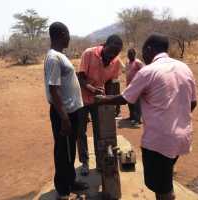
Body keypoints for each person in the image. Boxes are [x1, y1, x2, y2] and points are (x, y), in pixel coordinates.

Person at [95, 33, 197, 200]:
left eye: (143, 51)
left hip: (158, 143)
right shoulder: (184, 68)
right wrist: (175, 115)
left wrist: (102, 100)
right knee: (165, 178)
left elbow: (125, 98)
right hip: (181, 138)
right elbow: (192, 103)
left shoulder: (148, 71)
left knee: (163, 189)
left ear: (149, 49)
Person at [44, 22, 88, 200]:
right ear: (61, 34)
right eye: (68, 34)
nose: (70, 38)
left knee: (70, 150)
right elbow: (53, 89)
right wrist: (64, 118)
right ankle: (63, 190)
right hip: (64, 114)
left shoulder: (60, 55)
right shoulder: (54, 57)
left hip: (71, 111)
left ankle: (71, 182)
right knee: (63, 152)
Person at [77, 35, 123, 176]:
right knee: (81, 131)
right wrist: (91, 89)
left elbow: (110, 81)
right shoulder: (89, 53)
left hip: (99, 101)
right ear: (104, 45)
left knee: (100, 132)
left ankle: (100, 161)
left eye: (115, 53)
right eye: (110, 52)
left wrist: (108, 99)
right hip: (82, 99)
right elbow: (80, 77)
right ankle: (84, 162)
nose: (111, 56)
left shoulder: (116, 62)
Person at [125, 48, 144, 126]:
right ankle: (132, 116)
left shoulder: (138, 62)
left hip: (136, 86)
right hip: (129, 85)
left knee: (137, 103)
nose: (130, 56)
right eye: (129, 54)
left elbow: (144, 71)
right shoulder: (128, 62)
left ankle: (137, 119)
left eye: (131, 54)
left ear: (134, 54)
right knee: (130, 102)